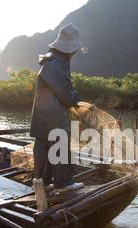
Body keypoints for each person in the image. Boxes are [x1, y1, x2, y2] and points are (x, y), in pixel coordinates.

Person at [30, 23, 86, 192]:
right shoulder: (58, 64)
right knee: (58, 144)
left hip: (41, 114)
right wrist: (75, 96)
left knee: (43, 145)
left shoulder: (49, 60)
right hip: (55, 116)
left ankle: (42, 182)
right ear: (70, 49)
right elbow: (67, 96)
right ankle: (64, 183)